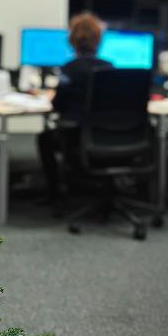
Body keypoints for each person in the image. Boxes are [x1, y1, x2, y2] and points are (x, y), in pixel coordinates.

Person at [38, 12, 111, 206]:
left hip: (75, 137)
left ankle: (54, 193)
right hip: (107, 136)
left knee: (44, 138)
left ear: (72, 40)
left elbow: (57, 105)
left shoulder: (69, 69)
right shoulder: (109, 68)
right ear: (98, 40)